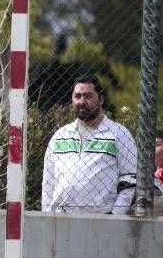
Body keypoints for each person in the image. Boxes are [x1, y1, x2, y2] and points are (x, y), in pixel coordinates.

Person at [41, 76, 137, 214]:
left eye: (88, 96)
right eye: (77, 96)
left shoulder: (119, 134)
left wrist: (115, 216)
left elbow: (129, 181)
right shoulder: (60, 135)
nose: (82, 101)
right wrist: (47, 215)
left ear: (101, 99)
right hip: (60, 219)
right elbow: (48, 183)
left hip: (101, 221)